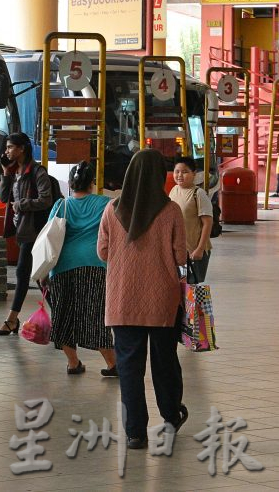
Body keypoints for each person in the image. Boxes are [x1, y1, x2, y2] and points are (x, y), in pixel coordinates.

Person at [97, 149, 188, 450]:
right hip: (162, 299)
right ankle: (171, 416)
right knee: (164, 362)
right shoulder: (171, 210)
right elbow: (180, 255)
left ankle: (136, 433)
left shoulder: (112, 210)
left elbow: (103, 252)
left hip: (122, 299)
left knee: (129, 368)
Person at [44, 161, 116, 376]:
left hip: (62, 266)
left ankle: (73, 363)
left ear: (71, 184)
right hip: (95, 264)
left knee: (63, 314)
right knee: (95, 315)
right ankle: (112, 364)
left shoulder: (61, 205)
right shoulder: (106, 204)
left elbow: (49, 237)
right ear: (92, 183)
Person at [0, 132, 55, 336]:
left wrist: (21, 204)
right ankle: (61, 319)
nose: (7, 151)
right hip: (22, 231)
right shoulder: (14, 171)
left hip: (35, 230)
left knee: (23, 273)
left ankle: (11, 320)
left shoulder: (37, 172)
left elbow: (46, 199)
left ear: (22, 149)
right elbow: (3, 197)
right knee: (40, 278)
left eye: (10, 147)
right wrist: (5, 173)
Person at [169, 156, 213, 283]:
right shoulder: (173, 191)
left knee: (192, 288)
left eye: (185, 172)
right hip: (178, 251)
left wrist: (199, 249)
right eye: (177, 171)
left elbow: (207, 223)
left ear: (194, 174)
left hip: (194, 252)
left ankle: (196, 304)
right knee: (179, 286)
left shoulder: (198, 194)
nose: (180, 175)